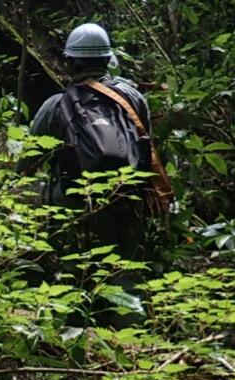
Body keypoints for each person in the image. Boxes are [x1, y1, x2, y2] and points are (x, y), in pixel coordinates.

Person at [20, 21, 156, 263]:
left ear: (70, 62)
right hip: (126, 198)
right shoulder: (132, 98)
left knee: (74, 269)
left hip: (73, 202)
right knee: (124, 266)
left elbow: (28, 163)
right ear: (107, 60)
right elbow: (146, 144)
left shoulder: (56, 104)